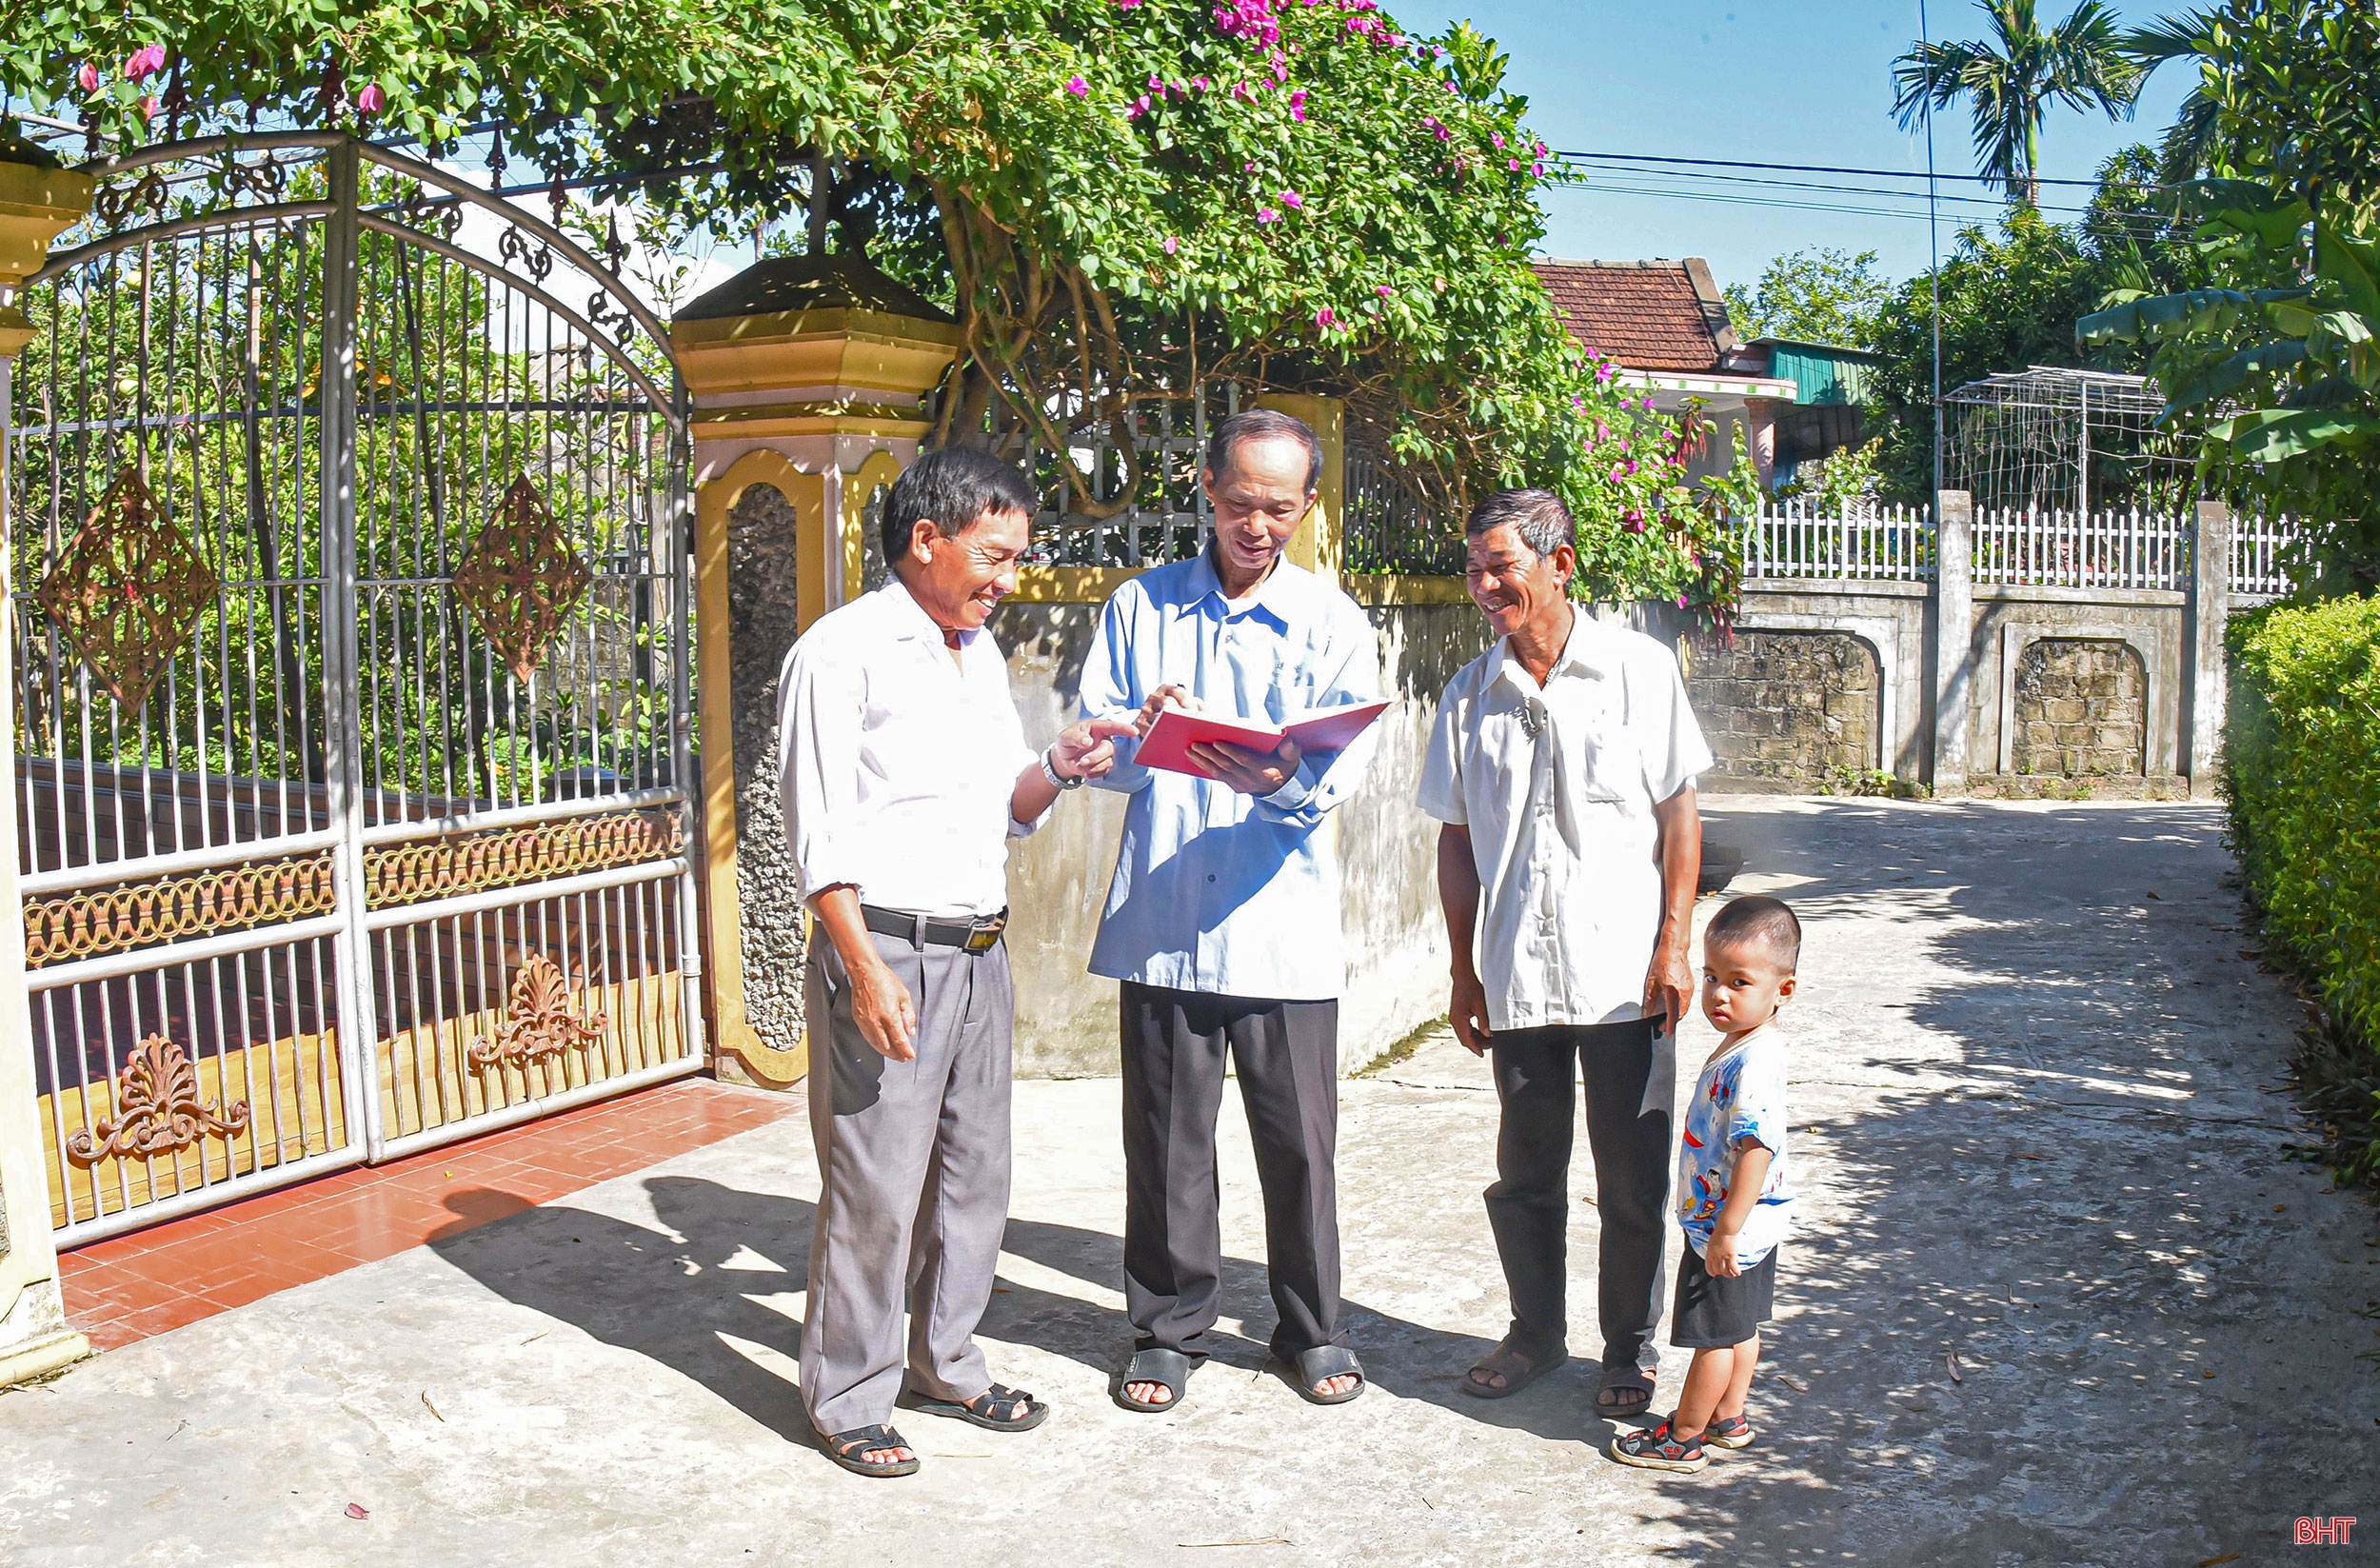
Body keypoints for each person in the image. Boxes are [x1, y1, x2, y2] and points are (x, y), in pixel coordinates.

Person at [779, 446, 1136, 1479]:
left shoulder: (973, 650)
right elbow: (819, 836)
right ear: (925, 540)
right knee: (876, 1187)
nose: (1009, 580)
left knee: (974, 1179)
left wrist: (1057, 769)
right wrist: (862, 966)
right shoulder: (840, 653)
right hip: (886, 945)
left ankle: (945, 1358)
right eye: (996, 556)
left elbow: (1005, 808)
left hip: (979, 947)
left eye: (1019, 559)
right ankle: (849, 1394)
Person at [1077, 407, 1383, 1413]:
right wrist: (1133, 734)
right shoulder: (1141, 609)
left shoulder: (1332, 623)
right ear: (1206, 489)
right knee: (1166, 1142)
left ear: (1307, 505)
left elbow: (1338, 774)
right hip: (1165, 920)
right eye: (1242, 503)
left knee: (1299, 1146)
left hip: (1277, 924)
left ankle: (1311, 1329)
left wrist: (1277, 777)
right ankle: (1166, 1327)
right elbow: (1101, 759)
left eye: (1280, 509)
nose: (1258, 526)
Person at [1416, 486, 1712, 1421]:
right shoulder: (1469, 698)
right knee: (1527, 1171)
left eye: (1499, 565)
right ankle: (1535, 1333)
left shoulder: (1636, 671)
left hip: (1628, 978)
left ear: (1560, 564)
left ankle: (1627, 1348)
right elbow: (1456, 840)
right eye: (1472, 570)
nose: (1483, 585)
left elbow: (1679, 813)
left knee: (1631, 1179)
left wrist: (1675, 942)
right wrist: (1464, 970)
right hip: (1519, 976)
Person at [1610, 895, 1799, 1473]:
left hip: (1728, 1229)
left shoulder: (1753, 1064)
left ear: (1782, 990)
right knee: (1741, 1326)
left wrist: (1725, 1230)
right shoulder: (1745, 1043)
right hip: (1750, 1228)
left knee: (1712, 1337)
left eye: (1739, 982)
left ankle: (1684, 1436)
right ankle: (1729, 1417)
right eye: (1713, 976)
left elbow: (1754, 1152)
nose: (1719, 994)